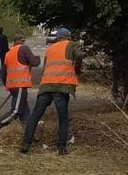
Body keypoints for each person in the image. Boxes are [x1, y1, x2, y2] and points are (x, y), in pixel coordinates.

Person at [21, 27, 84, 156]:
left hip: (46, 86)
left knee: (35, 115)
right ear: (68, 36)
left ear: (57, 38)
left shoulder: (50, 49)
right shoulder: (71, 45)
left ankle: (26, 144)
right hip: (61, 86)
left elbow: (45, 68)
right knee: (63, 119)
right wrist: (77, 68)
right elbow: (80, 55)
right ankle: (61, 148)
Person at [0, 34, 39, 133]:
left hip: (13, 86)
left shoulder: (9, 53)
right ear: (22, 41)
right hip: (20, 85)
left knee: (25, 111)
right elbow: (35, 62)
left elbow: (3, 74)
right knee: (16, 111)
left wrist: (8, 85)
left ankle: (28, 133)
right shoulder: (24, 49)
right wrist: (37, 58)